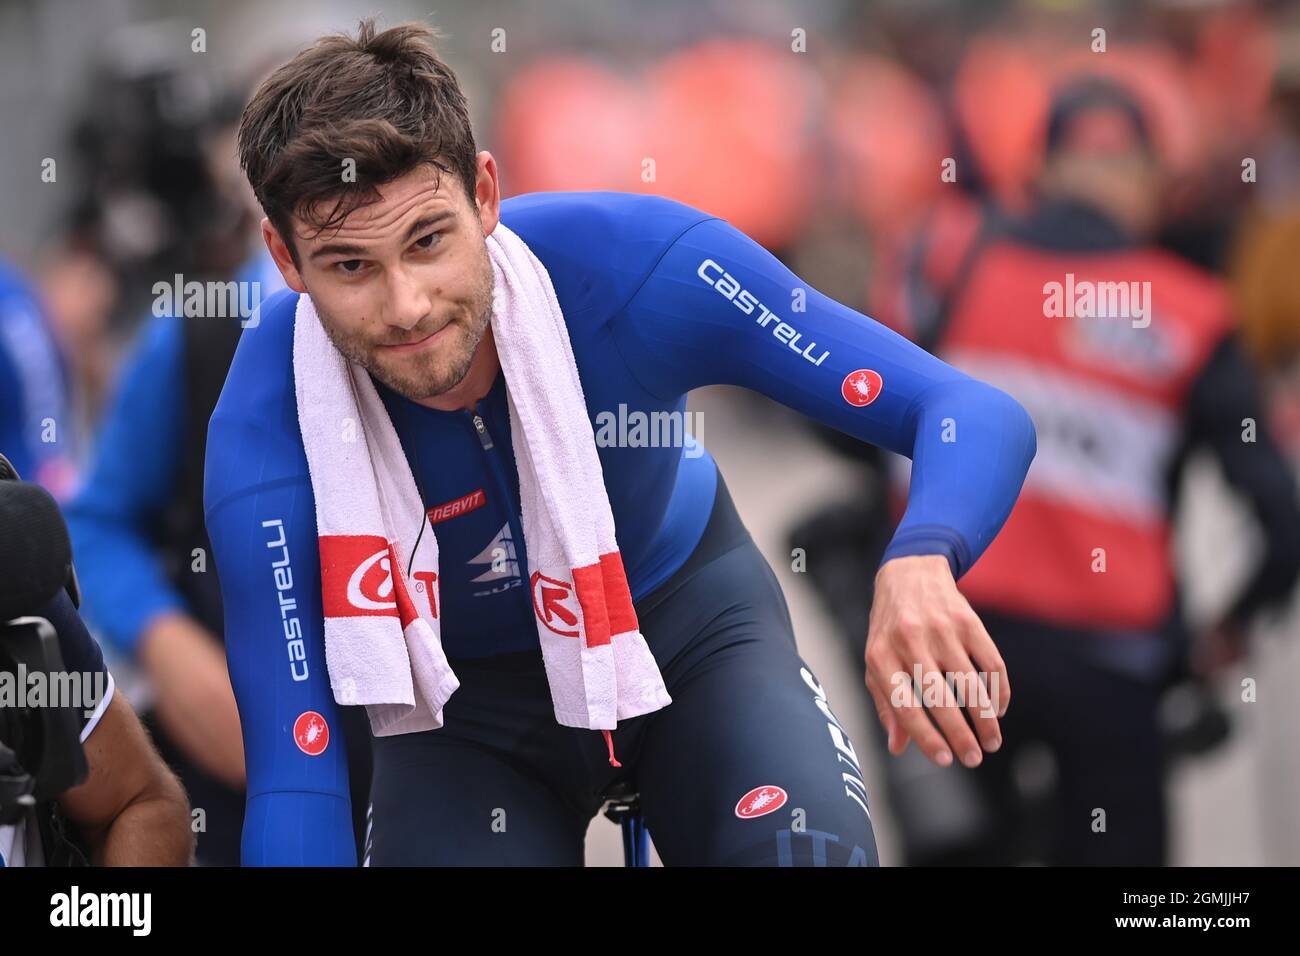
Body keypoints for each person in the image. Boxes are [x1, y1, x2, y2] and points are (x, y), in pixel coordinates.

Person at [206, 19, 1036, 866]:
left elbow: (966, 409)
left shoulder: (631, 268)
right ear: (285, 258)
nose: (407, 303)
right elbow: (293, 773)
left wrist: (923, 557)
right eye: (350, 266)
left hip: (691, 633)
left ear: (484, 195)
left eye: (429, 241)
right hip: (461, 719)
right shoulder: (266, 414)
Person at [874, 78, 1300, 865]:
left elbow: (853, 423)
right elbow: (1283, 517)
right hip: (1114, 670)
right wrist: (1227, 634)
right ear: (1151, 182)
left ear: (1039, 171)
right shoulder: (1194, 311)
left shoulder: (948, 262)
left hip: (952, 645)